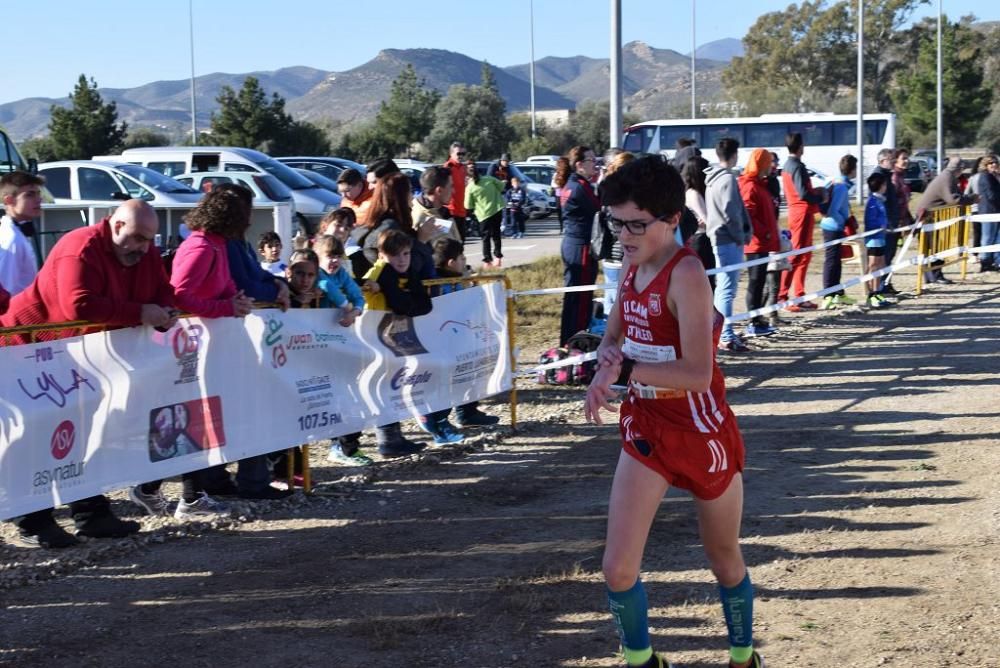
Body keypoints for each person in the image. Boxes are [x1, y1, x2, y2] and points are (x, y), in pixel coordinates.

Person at [585, 156, 762, 668]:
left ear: (670, 218)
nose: (623, 234)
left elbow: (696, 374)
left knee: (723, 558)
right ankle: (642, 662)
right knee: (617, 568)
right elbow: (614, 338)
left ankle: (744, 656)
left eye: (635, 224)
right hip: (647, 426)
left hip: (701, 428)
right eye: (616, 222)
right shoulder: (632, 266)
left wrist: (624, 372)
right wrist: (604, 368)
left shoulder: (687, 275)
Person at [1, 200, 174, 548]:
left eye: (149, 239)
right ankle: (31, 519)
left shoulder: (144, 251)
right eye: (138, 237)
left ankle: (91, 513)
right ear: (115, 225)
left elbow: (163, 291)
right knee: (32, 434)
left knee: (82, 431)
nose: (143, 246)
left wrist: (165, 309)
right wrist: (141, 312)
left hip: (81, 355)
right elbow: (76, 306)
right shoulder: (79, 248)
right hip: (29, 346)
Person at [146, 187, 257, 518]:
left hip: (206, 348)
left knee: (198, 419)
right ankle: (187, 497)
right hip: (189, 349)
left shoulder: (215, 246)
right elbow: (179, 295)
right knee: (192, 420)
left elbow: (218, 290)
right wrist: (226, 307)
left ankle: (162, 490)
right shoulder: (200, 247)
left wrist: (234, 301)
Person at [362, 229, 433, 455]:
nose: (401, 260)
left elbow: (424, 305)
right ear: (382, 255)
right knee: (382, 387)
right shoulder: (381, 273)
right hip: (373, 336)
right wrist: (406, 298)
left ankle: (393, 438)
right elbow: (403, 304)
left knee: (392, 386)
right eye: (395, 255)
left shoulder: (408, 272)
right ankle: (386, 440)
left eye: (405, 253)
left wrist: (407, 299)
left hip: (390, 335)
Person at [705, 138, 751, 352]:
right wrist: (740, 235)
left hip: (718, 238)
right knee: (727, 289)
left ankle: (722, 332)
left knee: (723, 288)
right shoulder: (728, 180)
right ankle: (725, 334)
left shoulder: (712, 179)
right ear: (734, 155)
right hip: (728, 240)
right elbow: (731, 212)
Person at [554, 146, 600, 346]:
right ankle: (576, 344)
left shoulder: (572, 184)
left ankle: (567, 341)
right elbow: (600, 208)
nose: (595, 164)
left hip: (571, 244)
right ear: (579, 164)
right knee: (581, 300)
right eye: (591, 160)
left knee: (572, 298)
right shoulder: (581, 186)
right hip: (580, 246)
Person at [779, 132, 827, 309]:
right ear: (801, 147)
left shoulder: (788, 165)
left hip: (799, 212)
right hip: (801, 212)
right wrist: (820, 197)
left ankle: (799, 294)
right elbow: (803, 193)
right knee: (796, 254)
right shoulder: (796, 166)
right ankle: (782, 296)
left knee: (804, 255)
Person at [739, 148, 780, 337]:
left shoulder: (760, 184)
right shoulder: (749, 185)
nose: (771, 166)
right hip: (756, 243)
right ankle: (753, 321)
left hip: (763, 242)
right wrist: (764, 233)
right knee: (755, 282)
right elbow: (748, 214)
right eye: (767, 162)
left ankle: (757, 318)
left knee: (761, 280)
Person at [915, 156, 975, 284]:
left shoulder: (948, 176)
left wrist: (968, 198)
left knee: (936, 246)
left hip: (933, 217)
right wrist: (972, 200)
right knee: (934, 246)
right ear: (959, 169)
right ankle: (934, 276)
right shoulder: (947, 178)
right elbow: (953, 199)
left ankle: (934, 275)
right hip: (928, 217)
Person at [817, 155, 859, 310]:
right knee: (831, 261)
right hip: (832, 227)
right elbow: (833, 209)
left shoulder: (835, 181)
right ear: (852, 169)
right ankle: (828, 294)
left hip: (833, 226)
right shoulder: (841, 186)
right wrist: (845, 220)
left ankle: (837, 292)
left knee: (836, 261)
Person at [0, 171, 43, 297]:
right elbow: (6, 289)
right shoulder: (11, 239)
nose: (39, 199)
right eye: (29, 195)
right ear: (9, 200)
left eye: (38, 194)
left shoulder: (15, 233)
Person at [682, 156, 717, 290]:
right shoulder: (694, 194)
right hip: (700, 240)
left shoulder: (691, 192)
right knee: (707, 281)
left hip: (699, 239)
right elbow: (708, 220)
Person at [464, 158, 505, 268]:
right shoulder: (490, 179)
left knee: (485, 238)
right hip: (497, 209)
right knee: (496, 235)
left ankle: (487, 260)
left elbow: (468, 205)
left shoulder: (470, 187)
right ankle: (498, 258)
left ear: (467, 176)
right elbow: (502, 186)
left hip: (483, 214)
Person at [314, 235, 365, 321]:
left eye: (338, 256)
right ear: (317, 258)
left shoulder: (341, 273)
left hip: (337, 325)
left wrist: (355, 312)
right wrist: (347, 306)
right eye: (330, 256)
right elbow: (327, 285)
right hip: (316, 322)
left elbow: (357, 295)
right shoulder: (315, 272)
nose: (335, 260)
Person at [411, 165, 462, 245]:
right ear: (439, 191)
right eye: (451, 186)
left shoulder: (443, 212)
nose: (454, 191)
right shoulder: (420, 220)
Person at [967, 155, 1000, 272]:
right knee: (987, 237)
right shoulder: (985, 177)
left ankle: (996, 261)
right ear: (985, 165)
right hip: (988, 211)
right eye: (990, 163)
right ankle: (985, 262)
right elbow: (991, 195)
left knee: (997, 238)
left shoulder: (994, 176)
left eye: (995, 162)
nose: (994, 165)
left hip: (995, 211)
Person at [864, 172, 892, 308]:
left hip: (881, 238)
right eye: (885, 184)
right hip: (873, 239)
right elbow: (870, 220)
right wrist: (880, 226)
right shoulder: (872, 202)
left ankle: (878, 291)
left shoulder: (880, 200)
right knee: (873, 265)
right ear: (880, 185)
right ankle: (872, 293)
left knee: (880, 265)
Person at [444, 142, 469, 243]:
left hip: (461, 210)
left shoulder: (463, 168)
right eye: (458, 154)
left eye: (463, 154)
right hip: (450, 210)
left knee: (461, 242)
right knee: (449, 243)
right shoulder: (447, 167)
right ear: (451, 154)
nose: (461, 156)